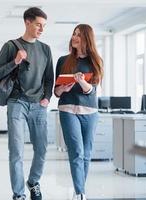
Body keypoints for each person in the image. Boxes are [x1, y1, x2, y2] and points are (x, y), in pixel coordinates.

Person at [0, 7, 54, 200]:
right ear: (27, 22)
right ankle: (19, 195)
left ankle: (33, 181)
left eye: (44, 26)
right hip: (17, 102)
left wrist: (47, 98)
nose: (42, 29)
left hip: (39, 105)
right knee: (16, 150)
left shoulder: (45, 49)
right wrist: (15, 61)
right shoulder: (11, 46)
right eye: (38, 24)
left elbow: (49, 78)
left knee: (41, 148)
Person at [54, 24, 104, 200]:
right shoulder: (63, 60)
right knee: (76, 152)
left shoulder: (96, 61)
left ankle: (80, 187)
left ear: (87, 39)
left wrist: (81, 82)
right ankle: (80, 192)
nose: (74, 37)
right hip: (67, 110)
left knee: (86, 153)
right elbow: (56, 92)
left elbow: (92, 90)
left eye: (79, 35)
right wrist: (64, 89)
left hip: (90, 111)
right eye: (74, 34)